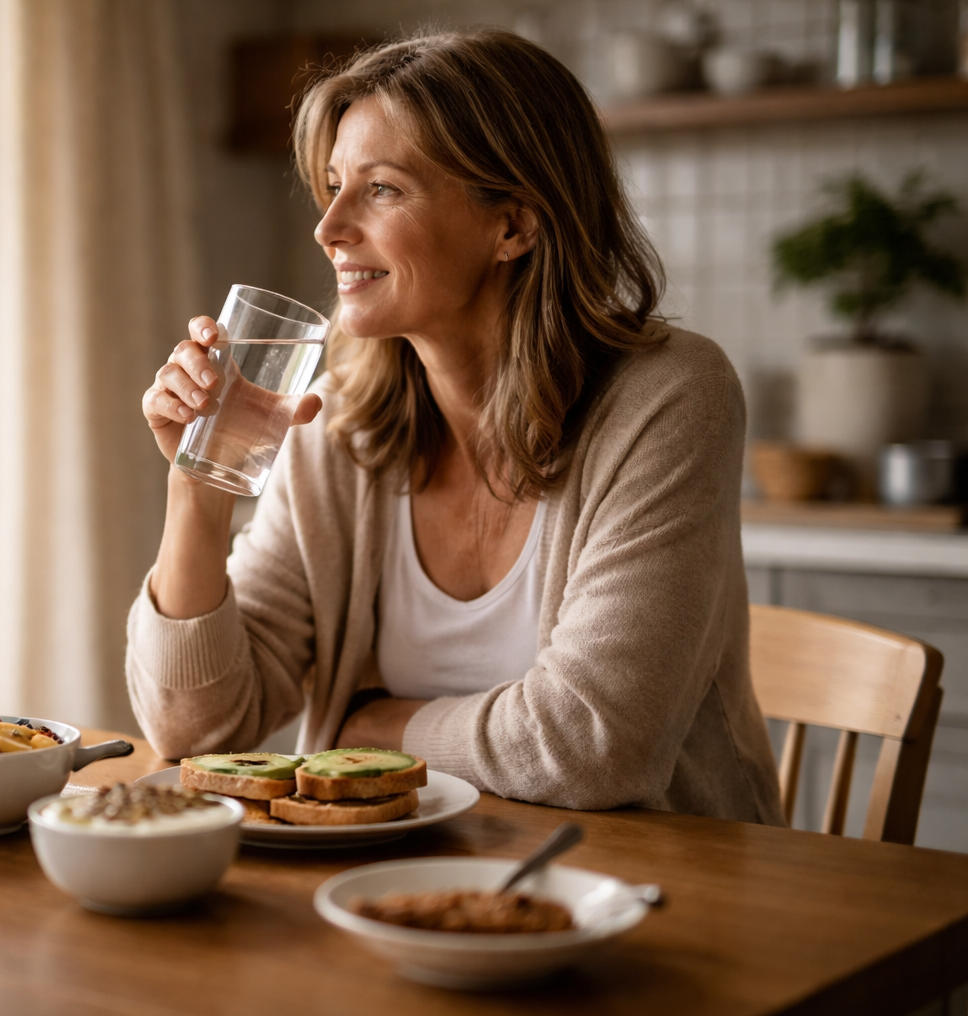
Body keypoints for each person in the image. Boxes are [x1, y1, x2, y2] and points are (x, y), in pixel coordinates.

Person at [129, 30, 782, 824]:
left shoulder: (669, 399)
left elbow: (593, 744)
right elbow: (196, 730)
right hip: (392, 877)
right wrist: (199, 484)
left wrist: (365, 730)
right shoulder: (333, 424)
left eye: (382, 189)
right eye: (333, 186)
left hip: (658, 888)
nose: (328, 227)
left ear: (513, 225)